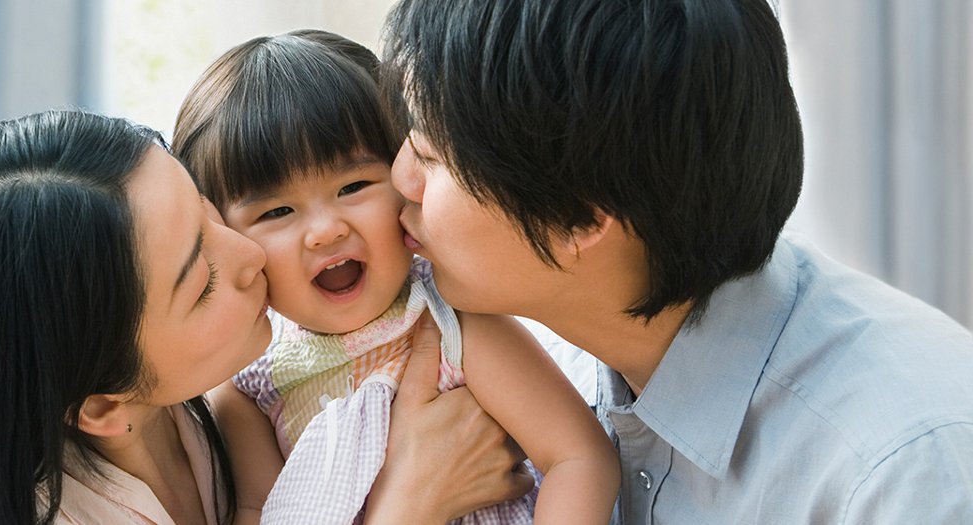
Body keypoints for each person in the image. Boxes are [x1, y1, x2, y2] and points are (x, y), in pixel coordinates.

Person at [379, 0, 973, 523]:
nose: (399, 178)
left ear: (581, 221)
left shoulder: (904, 475)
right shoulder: (526, 367)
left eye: (430, 155)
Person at [0, 109, 531, 524]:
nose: (251, 253)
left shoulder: (223, 405)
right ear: (103, 404)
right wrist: (408, 499)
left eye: (206, 210)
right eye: (202, 280)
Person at [173, 30, 618, 524]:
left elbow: (578, 457)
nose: (325, 231)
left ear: (407, 178)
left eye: (354, 185)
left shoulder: (451, 320)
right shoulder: (249, 386)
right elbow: (260, 512)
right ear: (228, 241)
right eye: (277, 211)